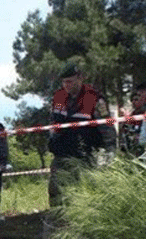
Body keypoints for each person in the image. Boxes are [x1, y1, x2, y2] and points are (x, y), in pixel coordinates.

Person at [47, 62, 116, 207]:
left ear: (80, 78)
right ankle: (56, 223)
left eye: (70, 81)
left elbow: (107, 127)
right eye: (64, 81)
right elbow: (53, 121)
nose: (67, 85)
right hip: (61, 154)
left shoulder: (94, 98)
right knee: (55, 191)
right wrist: (53, 136)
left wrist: (110, 152)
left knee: (84, 194)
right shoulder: (58, 97)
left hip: (84, 156)